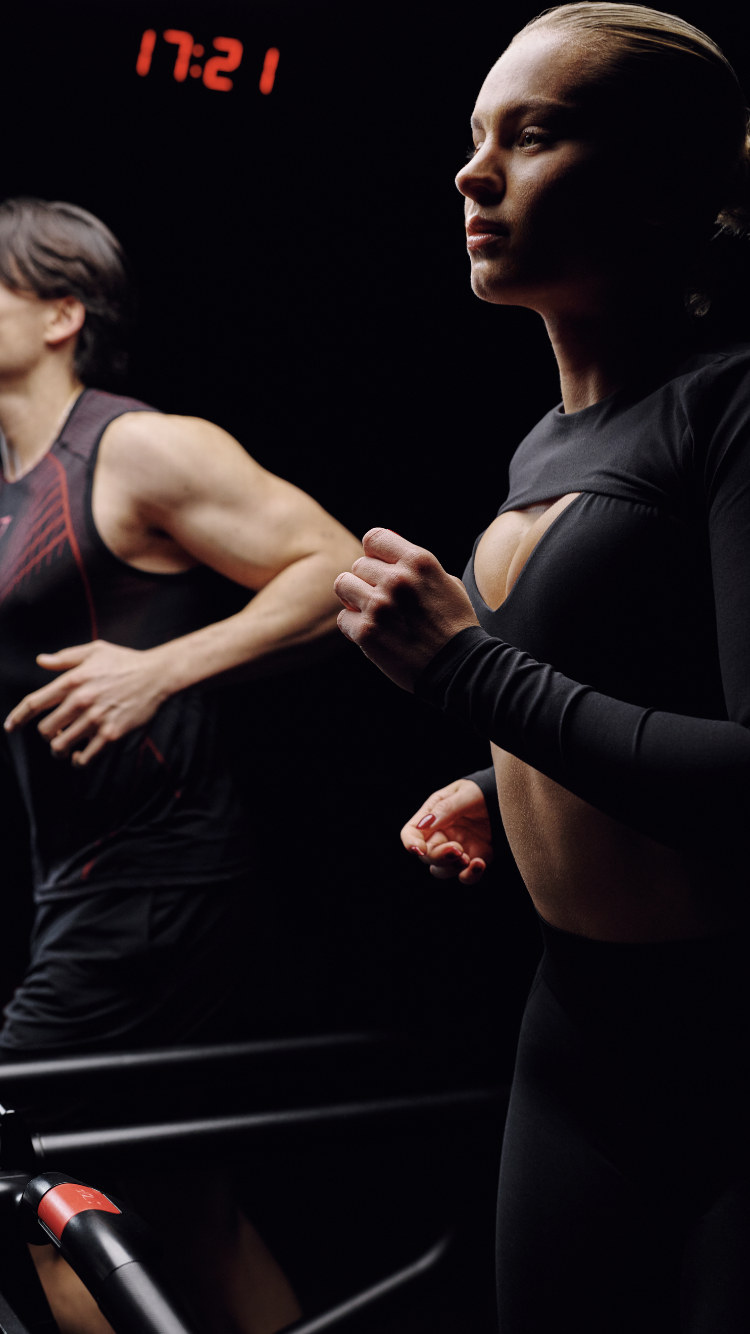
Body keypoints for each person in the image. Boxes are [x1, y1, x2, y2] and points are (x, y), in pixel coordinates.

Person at [0, 197, 362, 1334]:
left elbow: (335, 568)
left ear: (61, 312)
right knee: (188, 1206)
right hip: (78, 888)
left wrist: (164, 667)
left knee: (25, 1190)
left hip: (164, 883)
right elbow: (18, 698)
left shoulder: (136, 446)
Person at [334, 5, 750, 1331]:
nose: (474, 171)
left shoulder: (731, 405)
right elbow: (634, 683)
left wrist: (472, 680)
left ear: (661, 185)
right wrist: (497, 780)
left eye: (535, 132)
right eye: (475, 138)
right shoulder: (541, 447)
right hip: (576, 1029)